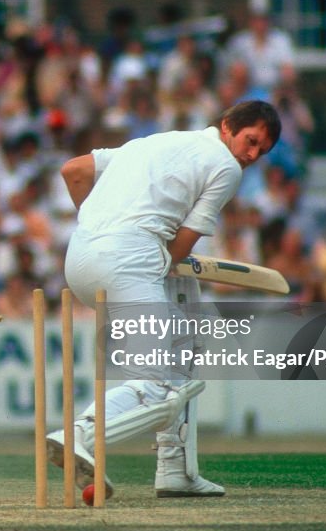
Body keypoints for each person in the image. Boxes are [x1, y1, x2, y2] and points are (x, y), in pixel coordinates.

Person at [47, 100, 281, 499]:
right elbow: (181, 246)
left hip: (81, 258)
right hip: (129, 261)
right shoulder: (224, 167)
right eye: (251, 141)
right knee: (158, 383)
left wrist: (105, 228)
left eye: (262, 151)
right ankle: (77, 433)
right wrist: (150, 254)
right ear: (227, 126)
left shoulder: (147, 144)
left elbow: (74, 171)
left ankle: (176, 469)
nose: (252, 155)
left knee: (182, 350)